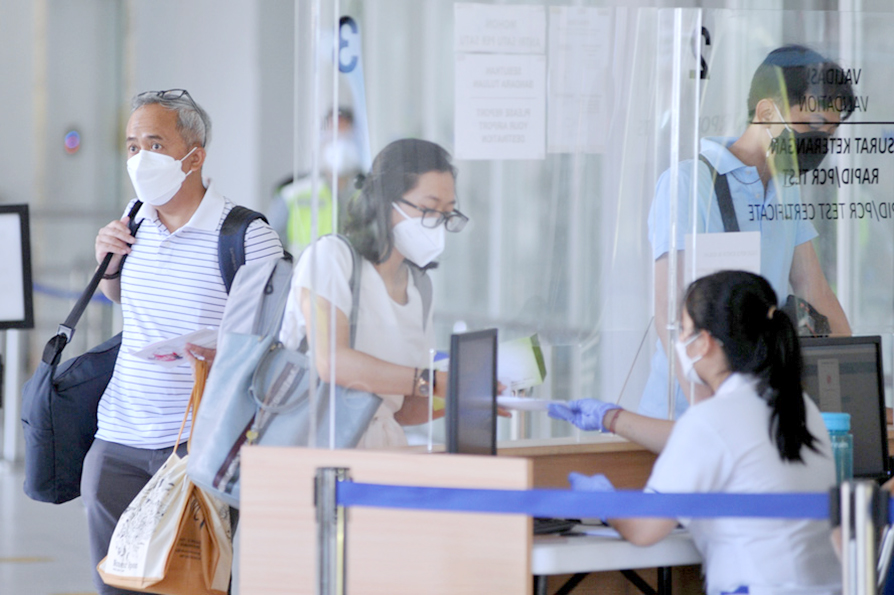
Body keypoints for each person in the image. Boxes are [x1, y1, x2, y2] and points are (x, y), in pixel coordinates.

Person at [83, 88, 282, 594]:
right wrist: (107, 263)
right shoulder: (133, 219)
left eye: (154, 143)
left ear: (194, 156)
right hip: (119, 438)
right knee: (117, 583)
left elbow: (278, 335)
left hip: (201, 443)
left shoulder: (245, 235)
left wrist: (226, 351)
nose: (139, 158)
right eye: (132, 146)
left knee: (192, 584)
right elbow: (124, 299)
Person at [556, 271, 842, 595]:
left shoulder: (712, 419)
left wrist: (604, 503)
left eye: (684, 331)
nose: (679, 343)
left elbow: (643, 529)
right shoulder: (802, 408)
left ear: (704, 342)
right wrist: (612, 418)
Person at [640, 44, 855, 424]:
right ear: (766, 112)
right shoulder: (689, 184)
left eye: (831, 132)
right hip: (686, 410)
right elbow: (668, 311)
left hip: (753, 405)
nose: (821, 141)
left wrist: (858, 386)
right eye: (814, 124)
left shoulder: (787, 188)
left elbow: (814, 290)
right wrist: (707, 404)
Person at [279, 138, 469, 448]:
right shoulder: (332, 257)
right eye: (429, 208)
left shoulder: (420, 288)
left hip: (383, 452)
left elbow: (400, 407)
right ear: (385, 200)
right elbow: (331, 362)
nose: (438, 224)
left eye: (448, 213)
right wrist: (431, 381)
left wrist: (468, 395)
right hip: (315, 448)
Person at [268, 106, 364, 255]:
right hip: (304, 276)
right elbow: (270, 251)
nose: (340, 145)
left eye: (346, 137)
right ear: (322, 141)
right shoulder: (292, 194)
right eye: (333, 136)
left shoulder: (368, 192)